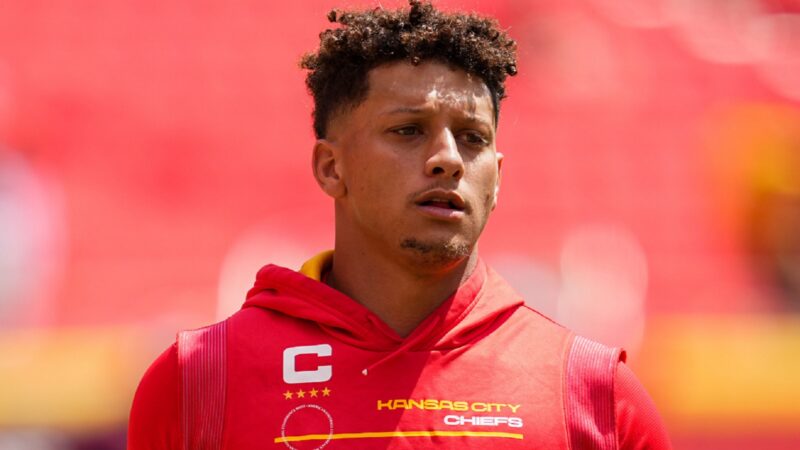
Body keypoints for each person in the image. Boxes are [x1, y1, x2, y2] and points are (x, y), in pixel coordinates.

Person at [128, 1, 672, 448]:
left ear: (498, 177)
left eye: (473, 138)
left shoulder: (592, 391)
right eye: (409, 130)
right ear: (331, 167)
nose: (448, 159)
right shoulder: (198, 380)